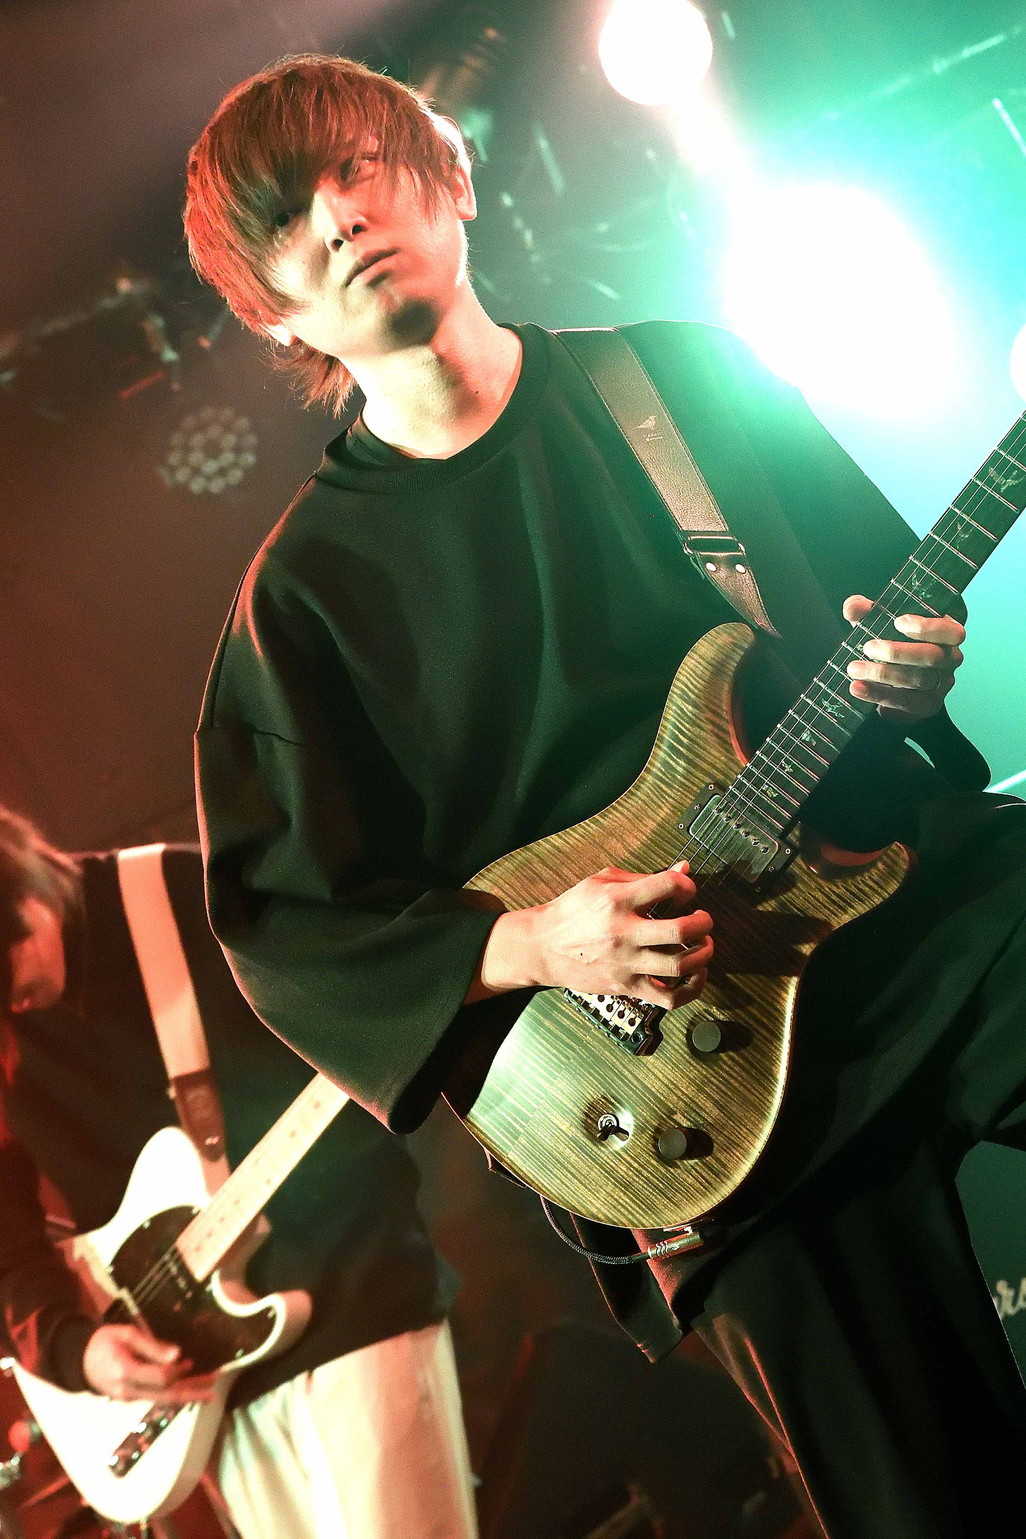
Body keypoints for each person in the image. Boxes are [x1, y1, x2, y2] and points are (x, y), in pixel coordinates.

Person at [184, 52, 1026, 1539]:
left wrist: (909, 671)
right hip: (684, 1087)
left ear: (447, 175)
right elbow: (287, 927)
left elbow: (882, 613)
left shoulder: (680, 375)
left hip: (900, 911)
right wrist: (530, 943)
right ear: (274, 312)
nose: (335, 221)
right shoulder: (301, 600)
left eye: (352, 170)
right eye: (285, 227)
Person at [0, 809, 478, 1539]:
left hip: (355, 1299)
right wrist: (78, 1350)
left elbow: (366, 1019)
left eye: (6, 972)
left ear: (27, 892)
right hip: (209, 1388)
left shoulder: (181, 893)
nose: (12, 1005)